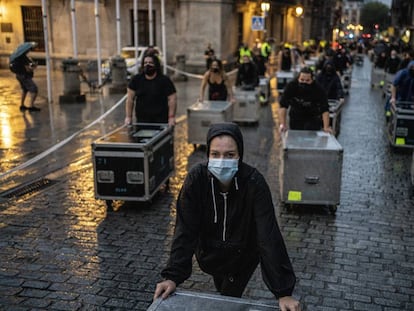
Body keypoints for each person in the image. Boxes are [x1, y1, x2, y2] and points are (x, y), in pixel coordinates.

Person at [153, 122, 300, 311]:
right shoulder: (196, 180)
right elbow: (185, 230)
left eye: (230, 155)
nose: (222, 161)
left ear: (240, 155)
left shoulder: (254, 183)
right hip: (209, 255)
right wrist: (172, 276)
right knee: (223, 291)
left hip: (242, 257)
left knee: (229, 299)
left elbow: (268, 236)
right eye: (215, 154)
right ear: (208, 155)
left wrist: (283, 291)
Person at [125, 53, 177, 127]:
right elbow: (130, 99)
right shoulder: (136, 80)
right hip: (142, 120)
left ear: (156, 64)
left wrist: (171, 117)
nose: (147, 65)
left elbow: (172, 99)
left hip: (161, 120)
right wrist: (128, 117)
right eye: (145, 63)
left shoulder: (164, 80)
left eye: (150, 63)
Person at [279, 67, 331, 133]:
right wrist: (283, 124)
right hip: (296, 116)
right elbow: (283, 106)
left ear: (312, 80)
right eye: (302, 80)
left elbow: (325, 109)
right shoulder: (291, 86)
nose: (304, 82)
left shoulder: (318, 89)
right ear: (298, 79)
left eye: (307, 80)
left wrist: (326, 127)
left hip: (312, 117)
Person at [12, 48, 41, 112]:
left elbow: (29, 64)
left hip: (19, 75)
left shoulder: (19, 57)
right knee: (34, 89)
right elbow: (28, 69)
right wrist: (34, 67)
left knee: (25, 90)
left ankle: (22, 105)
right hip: (24, 76)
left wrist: (32, 64)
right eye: (28, 50)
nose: (29, 51)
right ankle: (31, 106)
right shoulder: (23, 58)